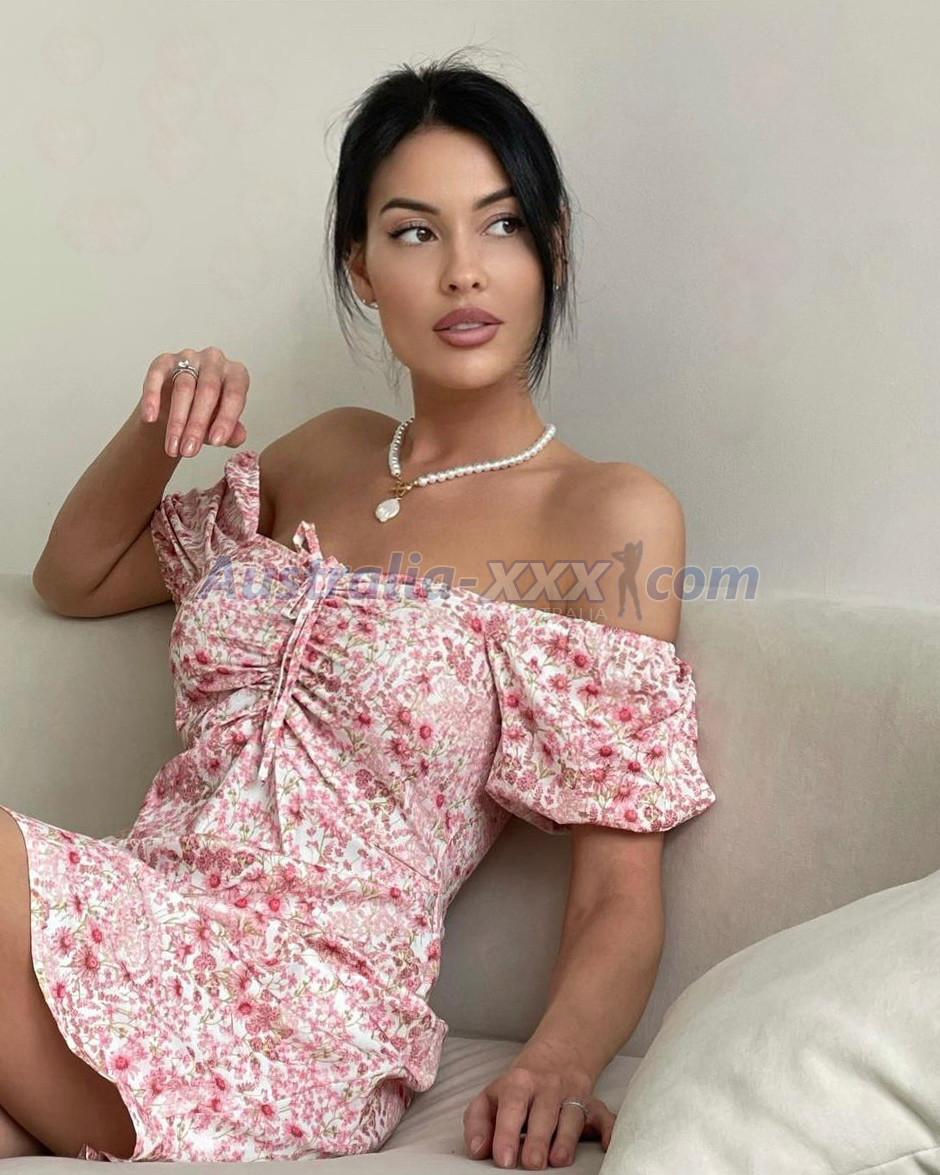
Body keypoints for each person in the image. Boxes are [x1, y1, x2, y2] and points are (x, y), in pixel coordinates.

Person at [7, 50, 716, 1167]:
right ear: (362, 264)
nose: (463, 273)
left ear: (553, 245)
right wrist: (161, 423)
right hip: (134, 922)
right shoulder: (323, 451)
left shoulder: (605, 513)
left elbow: (617, 889)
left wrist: (558, 1062)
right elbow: (75, 577)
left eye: (501, 225)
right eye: (415, 232)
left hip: (306, 1002)